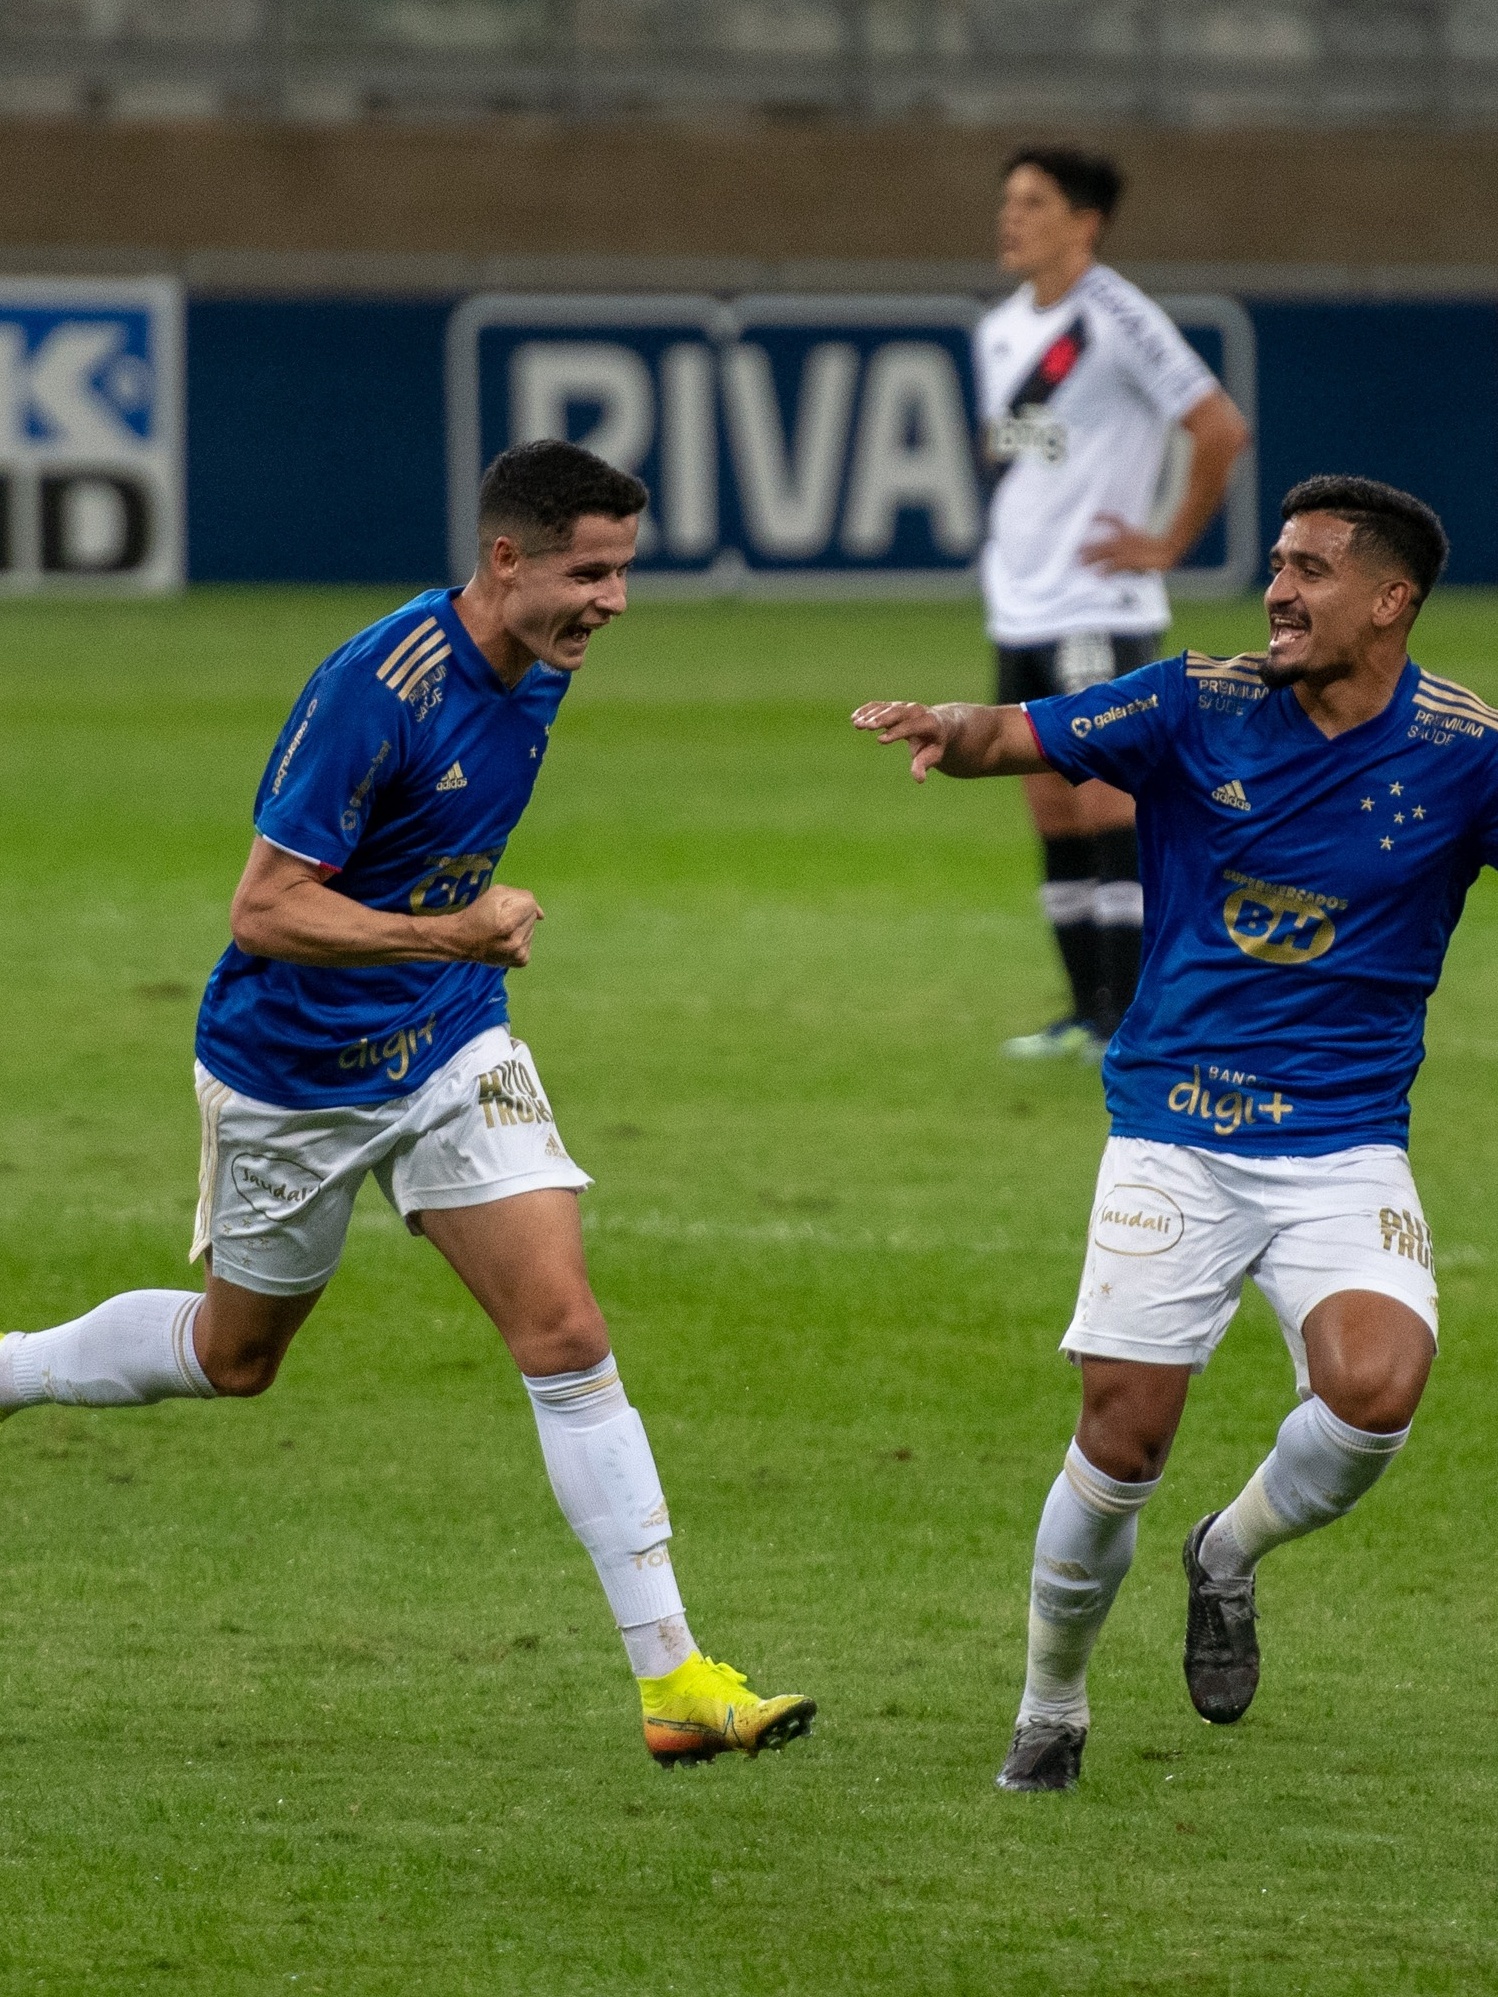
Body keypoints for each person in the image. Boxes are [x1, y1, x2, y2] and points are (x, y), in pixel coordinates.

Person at [0, 439, 814, 1770]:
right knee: (234, 1357)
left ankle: (673, 1676)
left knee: (563, 1329)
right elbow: (262, 909)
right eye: (588, 573)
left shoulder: (538, 663)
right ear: (505, 560)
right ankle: (15, 1369)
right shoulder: (378, 688)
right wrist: (452, 933)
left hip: (444, 1049)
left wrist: (450, 959)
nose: (611, 602)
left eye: (621, 574)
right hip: (291, 1075)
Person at [854, 475, 1473, 1791]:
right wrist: (947, 728)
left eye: (1309, 570)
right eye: (1275, 565)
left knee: (1374, 1394)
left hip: (1344, 1140)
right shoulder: (1198, 699)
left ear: (1389, 599)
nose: (1278, 591)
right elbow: (1016, 731)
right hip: (1174, 1131)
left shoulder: (1462, 753)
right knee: (1121, 1438)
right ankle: (1051, 1705)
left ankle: (1227, 1553)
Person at [976, 145, 1250, 1059]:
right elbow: (1023, 453)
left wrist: (1168, 543)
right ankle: (1087, 1012)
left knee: (1107, 809)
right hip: (1020, 604)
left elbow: (1219, 427)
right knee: (1050, 809)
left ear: (1083, 223)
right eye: (1008, 200)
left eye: (1033, 202)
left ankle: (1133, 1016)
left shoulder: (1120, 317)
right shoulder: (1000, 330)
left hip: (1096, 602)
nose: (1010, 216)